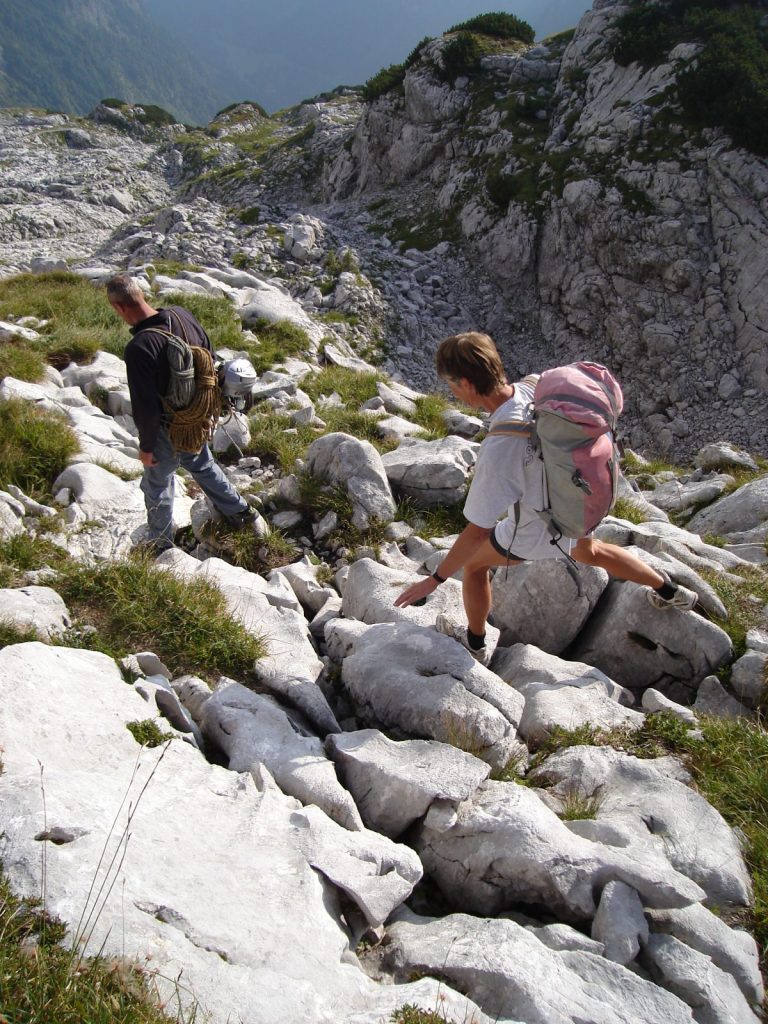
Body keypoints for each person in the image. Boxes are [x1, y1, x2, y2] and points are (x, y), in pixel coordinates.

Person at [394, 331, 697, 665]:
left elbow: (477, 531)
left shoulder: (500, 447)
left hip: (535, 531)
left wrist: (434, 580)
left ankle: (476, 645)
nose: (449, 390)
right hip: (575, 499)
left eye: (450, 384)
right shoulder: (534, 388)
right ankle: (673, 593)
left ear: (465, 383)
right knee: (591, 551)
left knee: (475, 565)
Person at [107, 273, 257, 552]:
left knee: (157, 484)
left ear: (119, 308)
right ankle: (242, 513)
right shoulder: (180, 315)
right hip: (198, 416)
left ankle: (161, 543)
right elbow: (209, 354)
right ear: (142, 295)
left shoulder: (139, 347)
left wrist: (147, 447)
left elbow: (146, 406)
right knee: (203, 465)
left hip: (167, 427)